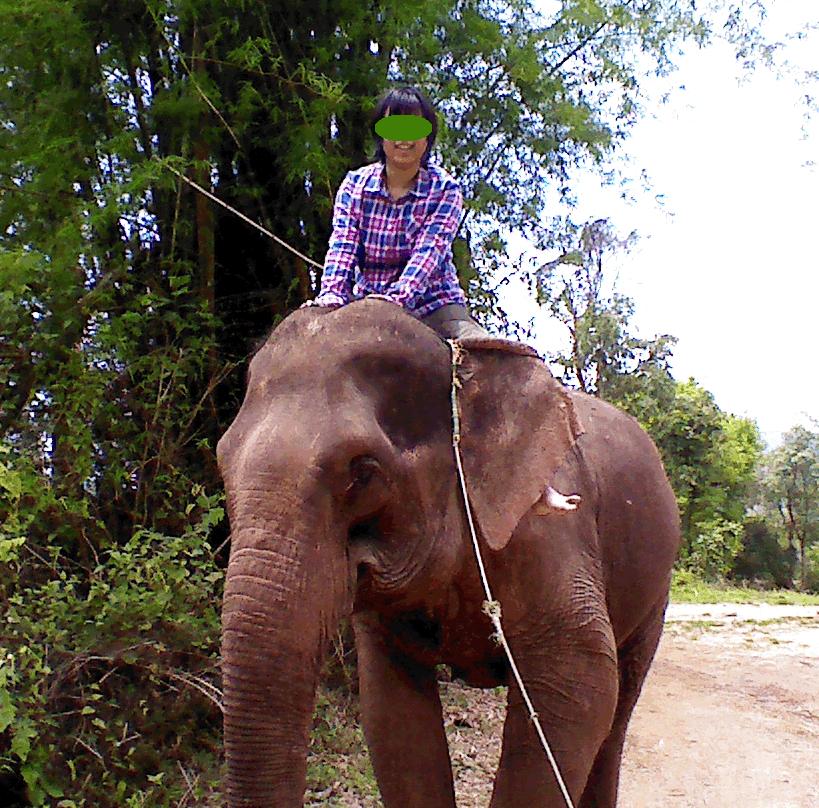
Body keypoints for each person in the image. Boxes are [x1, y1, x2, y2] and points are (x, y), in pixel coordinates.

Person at [301, 86, 489, 340]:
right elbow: (343, 246)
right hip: (364, 305)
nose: (404, 138)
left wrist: (395, 300)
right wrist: (332, 296)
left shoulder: (446, 190)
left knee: (483, 352)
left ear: (427, 137)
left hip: (435, 307)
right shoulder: (354, 185)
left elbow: (429, 253)